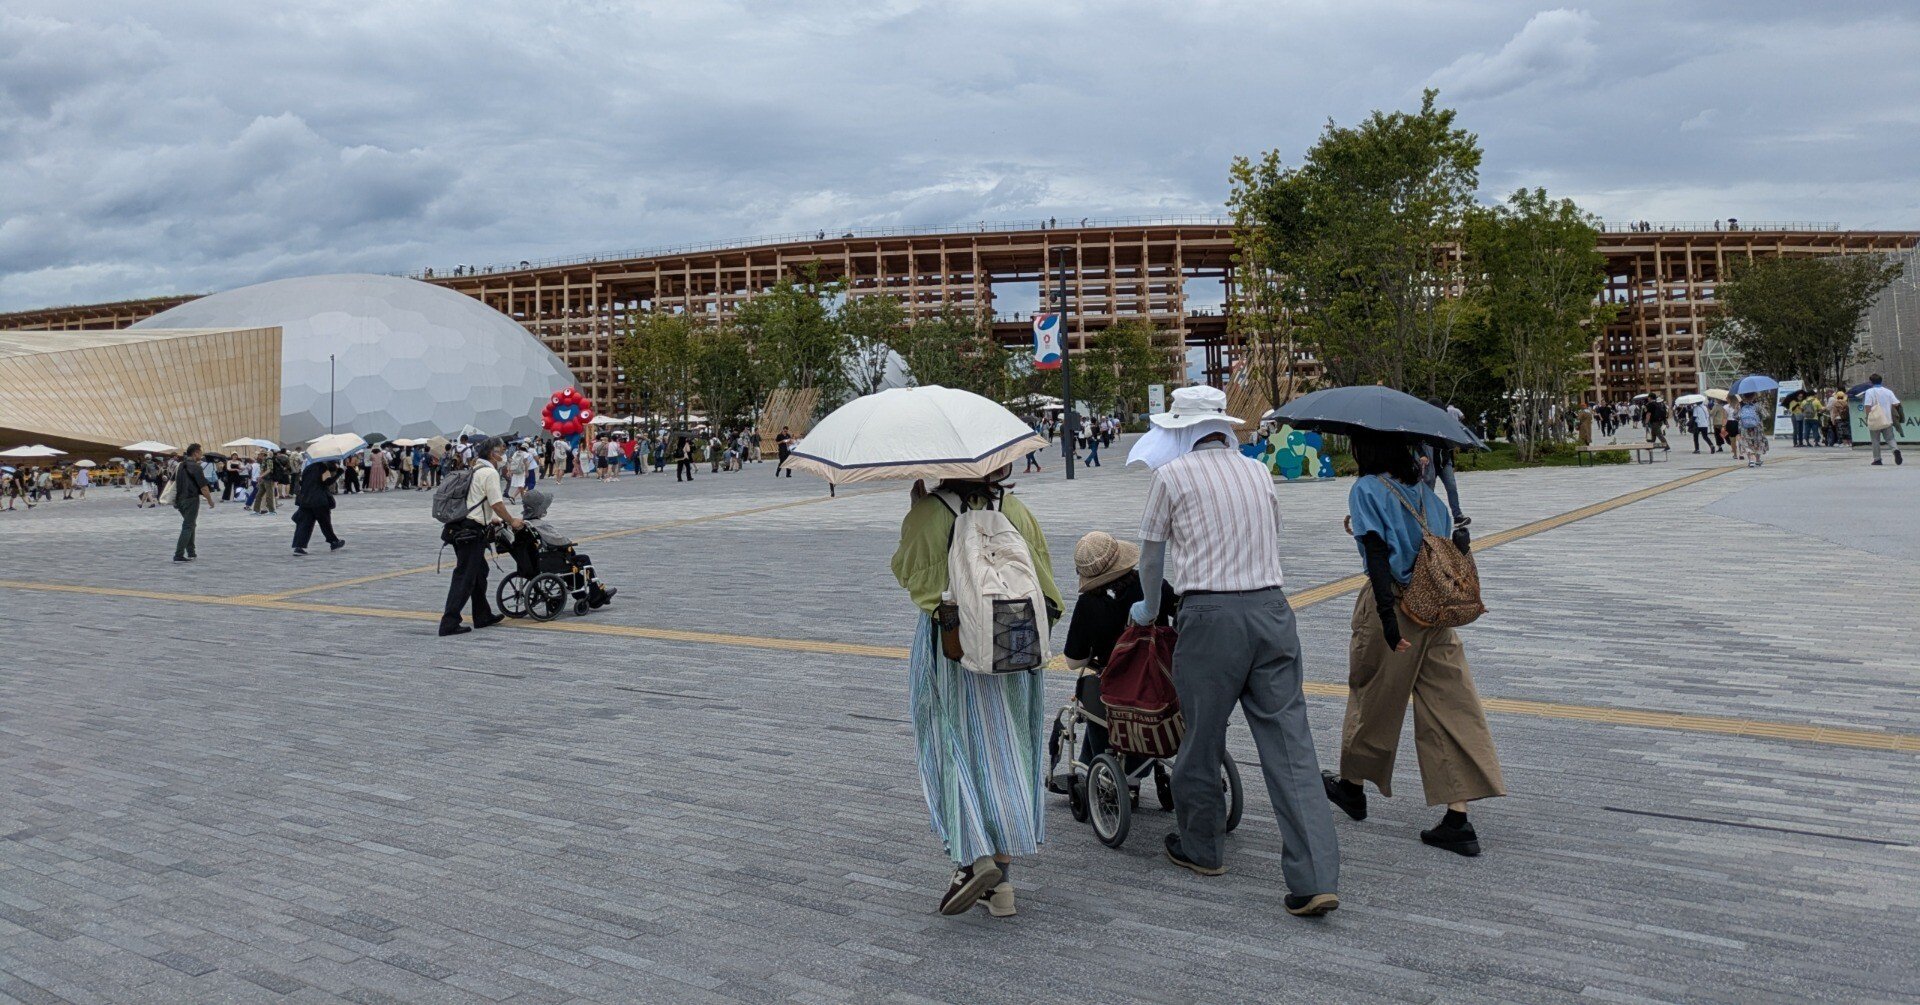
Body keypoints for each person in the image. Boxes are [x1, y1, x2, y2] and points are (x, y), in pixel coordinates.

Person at [1124, 385, 1340, 918]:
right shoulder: (1258, 471)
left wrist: (1149, 610)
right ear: (1224, 427)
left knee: (1200, 739)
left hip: (1210, 618)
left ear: (1183, 431)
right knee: (1292, 747)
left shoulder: (1170, 478)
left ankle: (1202, 848)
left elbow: (1151, 559)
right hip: (1272, 611)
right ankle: (1314, 878)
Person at [1322, 432, 1504, 857]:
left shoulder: (1365, 489)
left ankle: (1353, 787)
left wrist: (1387, 619)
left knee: (1374, 696)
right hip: (1437, 611)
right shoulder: (1427, 495)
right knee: (1452, 705)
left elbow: (1379, 555)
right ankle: (1458, 816)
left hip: (1398, 607)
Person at [890, 465, 1060, 918]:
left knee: (952, 745)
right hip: (1013, 647)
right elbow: (1046, 586)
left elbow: (911, 577)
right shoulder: (1016, 510)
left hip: (951, 649)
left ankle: (972, 859)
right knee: (1009, 750)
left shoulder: (928, 514)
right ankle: (1001, 885)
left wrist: (919, 512)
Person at [439, 436, 521, 636]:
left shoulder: (475, 469)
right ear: (492, 453)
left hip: (462, 526)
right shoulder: (489, 473)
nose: (503, 455)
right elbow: (497, 503)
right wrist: (512, 521)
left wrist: (490, 519)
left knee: (478, 573)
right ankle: (449, 622)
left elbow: (476, 500)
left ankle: (482, 615)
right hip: (471, 531)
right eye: (501, 451)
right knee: (465, 576)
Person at [516, 490, 617, 607]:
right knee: (583, 559)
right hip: (550, 561)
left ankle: (582, 594)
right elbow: (560, 540)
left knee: (571, 567)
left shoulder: (526, 524)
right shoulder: (540, 525)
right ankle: (596, 595)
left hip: (535, 560)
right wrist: (568, 543)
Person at [290, 458, 346, 555]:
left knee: (304, 524)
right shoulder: (323, 468)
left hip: (305, 500)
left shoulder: (307, 468)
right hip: (319, 500)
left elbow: (301, 482)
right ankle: (333, 542)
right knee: (325, 523)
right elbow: (327, 482)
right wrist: (339, 473)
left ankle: (299, 547)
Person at [170, 443, 214, 562]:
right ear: (195, 453)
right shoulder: (196, 467)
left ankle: (191, 552)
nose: (201, 454)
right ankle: (178, 554)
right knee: (188, 525)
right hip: (191, 499)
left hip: (179, 500)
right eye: (200, 452)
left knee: (190, 524)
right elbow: (204, 487)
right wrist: (210, 501)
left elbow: (171, 481)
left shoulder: (180, 465)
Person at [1861, 374, 1903, 466]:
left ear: (1871, 382)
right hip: (1887, 419)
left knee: (1875, 440)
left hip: (1875, 419)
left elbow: (1867, 405)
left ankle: (1877, 459)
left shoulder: (1869, 391)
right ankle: (1895, 450)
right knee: (1890, 438)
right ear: (1881, 381)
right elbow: (1896, 404)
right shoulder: (1888, 391)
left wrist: (1868, 416)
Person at [1737, 394, 1769, 468]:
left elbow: (1736, 416)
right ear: (1754, 396)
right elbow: (1765, 415)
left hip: (1745, 428)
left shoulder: (1741, 405)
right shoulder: (1757, 405)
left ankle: (1751, 460)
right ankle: (1757, 460)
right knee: (1758, 443)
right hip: (1757, 428)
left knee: (1747, 443)